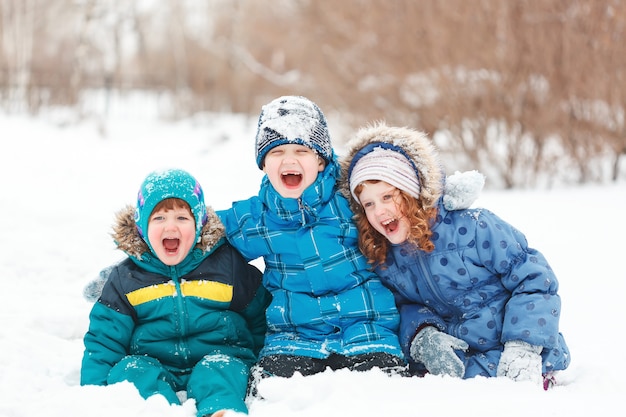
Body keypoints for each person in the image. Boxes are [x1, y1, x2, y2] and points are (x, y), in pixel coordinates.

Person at [340, 122, 570, 389]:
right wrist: (422, 335)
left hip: (516, 351)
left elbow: (533, 279)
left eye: (388, 196)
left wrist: (524, 345)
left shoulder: (474, 227)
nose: (379, 210)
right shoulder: (386, 259)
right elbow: (403, 307)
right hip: (459, 360)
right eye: (369, 204)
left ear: (413, 193)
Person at [216, 96, 408, 388]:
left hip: (367, 326)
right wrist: (158, 225)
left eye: (301, 150)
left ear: (320, 160)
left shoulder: (352, 199)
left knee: (380, 391)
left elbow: (402, 195)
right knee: (275, 393)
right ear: (263, 164)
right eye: (277, 151)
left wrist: (440, 199)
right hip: (293, 335)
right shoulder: (256, 218)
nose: (289, 160)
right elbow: (198, 230)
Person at [80, 168, 271, 417]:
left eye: (182, 218)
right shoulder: (126, 278)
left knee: (220, 370)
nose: (171, 226)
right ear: (142, 228)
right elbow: (104, 339)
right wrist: (92, 392)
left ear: (199, 224)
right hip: (154, 361)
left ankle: (220, 410)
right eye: (158, 218)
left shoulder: (228, 267)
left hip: (221, 354)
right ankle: (158, 410)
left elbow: (261, 317)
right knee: (130, 370)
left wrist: (264, 360)